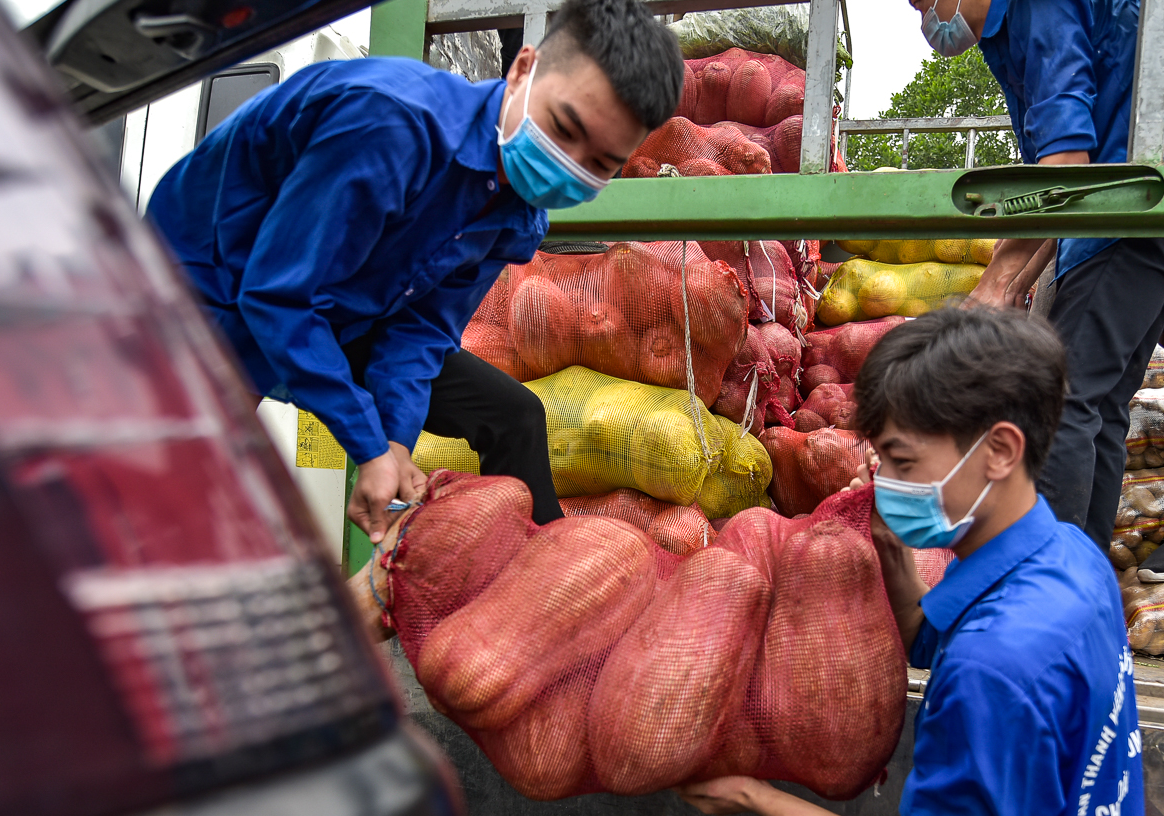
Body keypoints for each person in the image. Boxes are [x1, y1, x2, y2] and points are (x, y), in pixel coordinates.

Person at [146, 0, 683, 543]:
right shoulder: (389, 123)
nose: (569, 164)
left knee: (513, 413)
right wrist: (367, 444)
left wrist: (396, 443)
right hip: (209, 288)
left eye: (599, 165)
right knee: (185, 499)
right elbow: (278, 297)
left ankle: (537, 577)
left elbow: (423, 330)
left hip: (340, 307)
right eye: (564, 128)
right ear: (522, 70)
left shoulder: (518, 218)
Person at [676, 309, 1143, 816]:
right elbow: (926, 638)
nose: (888, 481)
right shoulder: (1072, 555)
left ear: (1000, 450)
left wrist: (753, 800)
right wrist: (890, 545)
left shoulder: (989, 674)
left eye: (903, 461)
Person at [911, 0, 1159, 574]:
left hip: (1123, 217)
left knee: (1062, 401)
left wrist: (995, 286)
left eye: (924, 2)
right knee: (1099, 405)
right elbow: (1052, 189)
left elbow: (1067, 168)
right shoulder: (1014, 28)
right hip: (1127, 216)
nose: (924, 18)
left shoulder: (1036, 8)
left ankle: (1048, 590)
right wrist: (1008, 279)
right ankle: (1083, 590)